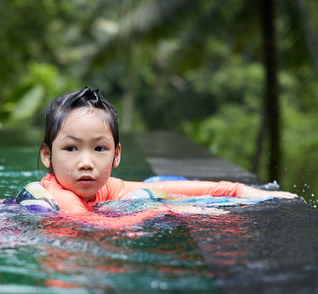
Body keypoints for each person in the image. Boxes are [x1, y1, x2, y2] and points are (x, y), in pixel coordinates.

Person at [18, 87, 297, 213]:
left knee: (157, 187)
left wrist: (259, 195)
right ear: (47, 155)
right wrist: (163, 208)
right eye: (71, 148)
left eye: (99, 148)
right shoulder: (58, 198)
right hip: (69, 277)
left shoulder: (107, 189)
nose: (86, 162)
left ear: (116, 155)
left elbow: (206, 190)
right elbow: (89, 231)